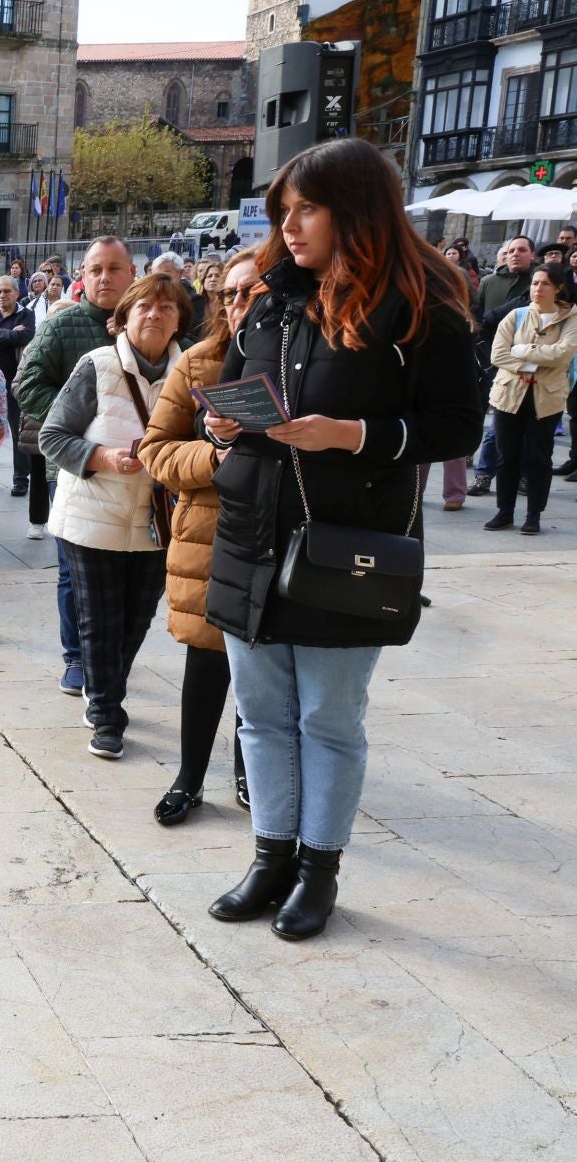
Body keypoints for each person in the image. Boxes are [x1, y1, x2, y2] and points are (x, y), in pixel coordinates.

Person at [203, 137, 482, 941]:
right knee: (260, 715)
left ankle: (317, 869)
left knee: (328, 718)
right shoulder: (270, 296)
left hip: (347, 548)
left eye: (308, 210)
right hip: (252, 533)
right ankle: (270, 857)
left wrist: (352, 434)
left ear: (356, 209)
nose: (289, 227)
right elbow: (238, 393)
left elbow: (456, 426)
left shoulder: (421, 301)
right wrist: (223, 427)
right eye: (283, 212)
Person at [40, 273, 189, 759]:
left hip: (157, 521)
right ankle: (107, 714)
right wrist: (102, 457)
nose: (155, 315)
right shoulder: (97, 365)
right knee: (100, 621)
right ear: (123, 318)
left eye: (166, 308)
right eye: (144, 306)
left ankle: (106, 689)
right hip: (92, 516)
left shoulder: (192, 372)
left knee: (135, 621)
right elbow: (52, 436)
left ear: (179, 321)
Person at [140, 249, 258, 824]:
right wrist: (214, 455)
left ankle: (250, 771)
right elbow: (156, 450)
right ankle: (189, 778)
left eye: (253, 292)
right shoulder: (199, 363)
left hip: (284, 533)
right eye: (230, 294)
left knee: (263, 668)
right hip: (213, 533)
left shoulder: (311, 361)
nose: (239, 304)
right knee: (208, 661)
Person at [14, 237, 138, 695]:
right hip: (72, 469)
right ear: (82, 276)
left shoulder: (149, 321)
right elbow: (26, 385)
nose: (104, 278)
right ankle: (77, 657)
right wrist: (82, 425)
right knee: (74, 572)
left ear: (132, 274)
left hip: (138, 473)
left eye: (114, 268)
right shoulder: (62, 325)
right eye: (95, 269)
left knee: (131, 573)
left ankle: (113, 654)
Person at [484, 260, 577, 534]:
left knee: (539, 456)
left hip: (546, 397)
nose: (538, 288)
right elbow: (497, 355)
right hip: (509, 394)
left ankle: (533, 514)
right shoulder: (516, 315)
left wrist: (521, 350)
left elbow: (562, 354)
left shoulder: (571, 317)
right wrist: (529, 364)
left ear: (558, 288)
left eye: (545, 284)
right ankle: (504, 511)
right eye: (535, 283)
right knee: (506, 454)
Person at [468, 235, 536, 496]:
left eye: (521, 250)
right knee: (497, 423)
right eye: (510, 251)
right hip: (495, 363)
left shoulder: (538, 281)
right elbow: (478, 318)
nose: (515, 254)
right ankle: (484, 474)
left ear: (532, 254)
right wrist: (485, 355)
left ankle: (523, 476)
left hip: (534, 365)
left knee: (529, 427)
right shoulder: (489, 282)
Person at [0, 275, 35, 495]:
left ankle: (20, 480)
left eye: (6, 291)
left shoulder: (27, 314)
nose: (1, 295)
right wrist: (10, 334)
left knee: (19, 432)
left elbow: (25, 336)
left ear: (17, 293)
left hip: (16, 383)